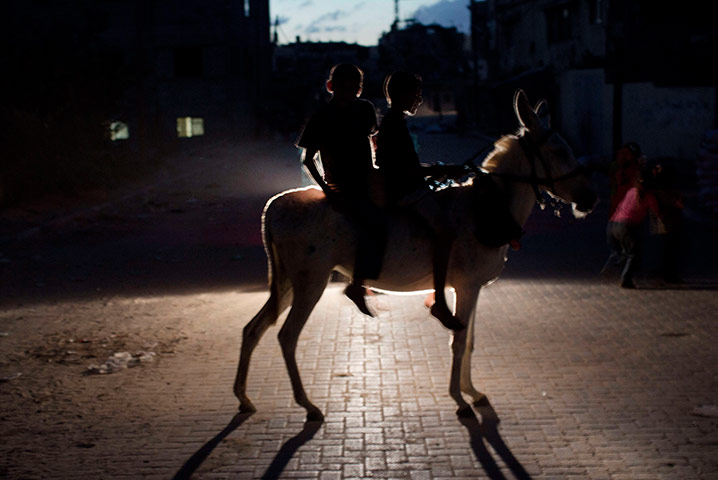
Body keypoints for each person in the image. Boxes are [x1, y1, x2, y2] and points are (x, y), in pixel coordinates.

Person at [375, 71, 464, 330]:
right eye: (416, 93)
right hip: (404, 193)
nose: (419, 99)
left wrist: (440, 169)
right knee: (446, 231)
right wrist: (439, 171)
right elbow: (397, 169)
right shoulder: (393, 124)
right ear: (402, 95)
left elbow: (406, 165)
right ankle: (438, 298)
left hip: (409, 187)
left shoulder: (395, 122)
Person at [295, 64, 386, 316]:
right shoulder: (321, 116)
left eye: (353, 87)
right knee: (373, 224)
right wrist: (327, 189)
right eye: (343, 86)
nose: (348, 91)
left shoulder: (364, 109)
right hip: (343, 187)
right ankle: (357, 285)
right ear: (330, 87)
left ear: (359, 90)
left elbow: (373, 141)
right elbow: (308, 158)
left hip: (367, 181)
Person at [603, 175, 663, 288]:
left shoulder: (631, 191)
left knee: (622, 253)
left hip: (612, 225)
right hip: (626, 226)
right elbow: (657, 213)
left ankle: (612, 270)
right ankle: (625, 279)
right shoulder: (649, 196)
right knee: (633, 254)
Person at [646, 162, 684, 284]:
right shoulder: (667, 191)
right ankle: (669, 275)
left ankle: (663, 273)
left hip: (661, 224)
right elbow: (679, 205)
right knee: (670, 250)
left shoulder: (655, 189)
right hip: (669, 223)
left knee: (664, 249)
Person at [608, 142, 644, 216]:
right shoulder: (617, 167)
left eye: (626, 153)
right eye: (622, 152)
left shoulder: (633, 170)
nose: (622, 155)